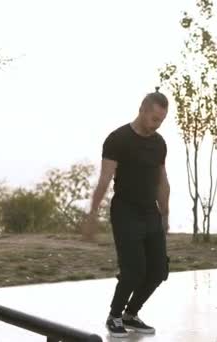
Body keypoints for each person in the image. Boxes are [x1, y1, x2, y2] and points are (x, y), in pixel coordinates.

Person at [83, 88, 171, 338]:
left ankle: (131, 314)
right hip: (125, 211)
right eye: (154, 118)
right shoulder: (118, 139)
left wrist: (164, 214)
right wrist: (92, 214)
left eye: (162, 120)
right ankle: (114, 315)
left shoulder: (159, 143)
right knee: (133, 270)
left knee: (158, 271)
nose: (157, 124)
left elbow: (162, 180)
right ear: (142, 110)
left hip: (150, 212)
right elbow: (105, 179)